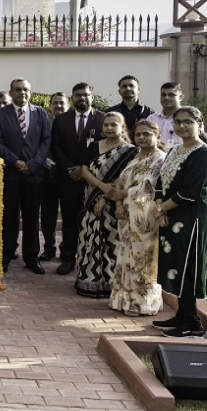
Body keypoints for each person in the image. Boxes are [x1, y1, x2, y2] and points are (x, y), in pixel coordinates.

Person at [152, 106, 207, 338]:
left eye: (188, 121)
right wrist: (160, 211)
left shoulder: (203, 153)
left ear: (200, 124)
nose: (181, 126)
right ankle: (182, 315)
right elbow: (160, 182)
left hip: (193, 215)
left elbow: (189, 192)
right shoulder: (174, 150)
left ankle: (193, 322)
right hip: (171, 214)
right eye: (177, 122)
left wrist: (160, 208)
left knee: (188, 265)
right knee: (175, 263)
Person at [0, 78, 52, 274]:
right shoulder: (1, 114)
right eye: (18, 90)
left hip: (33, 174)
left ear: (30, 92)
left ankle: (31, 257)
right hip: (11, 174)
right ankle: (6, 256)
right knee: (9, 217)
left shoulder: (40, 113)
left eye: (26, 90)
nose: (22, 93)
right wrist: (15, 162)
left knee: (32, 217)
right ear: (11, 92)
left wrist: (33, 164)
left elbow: (45, 141)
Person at [74, 112, 137, 297]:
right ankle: (88, 279)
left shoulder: (130, 151)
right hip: (90, 196)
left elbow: (124, 177)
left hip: (113, 201)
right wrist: (100, 187)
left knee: (111, 239)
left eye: (113, 125)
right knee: (88, 236)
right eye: (106, 125)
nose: (109, 128)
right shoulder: (94, 146)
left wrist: (104, 198)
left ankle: (110, 282)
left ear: (122, 127)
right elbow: (84, 169)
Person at [110, 120, 166, 316]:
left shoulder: (160, 159)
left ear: (157, 136)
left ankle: (143, 302)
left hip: (145, 218)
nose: (142, 138)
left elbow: (148, 188)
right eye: (138, 135)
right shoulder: (135, 158)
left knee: (144, 259)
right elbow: (120, 181)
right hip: (127, 217)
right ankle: (124, 299)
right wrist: (118, 203)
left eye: (147, 134)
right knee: (126, 255)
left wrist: (123, 195)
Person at [51, 82, 104, 276]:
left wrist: (85, 169)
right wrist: (69, 168)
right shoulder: (61, 120)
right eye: (78, 95)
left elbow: (105, 148)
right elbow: (55, 147)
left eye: (86, 95)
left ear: (92, 96)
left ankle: (89, 259)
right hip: (68, 178)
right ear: (72, 98)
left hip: (93, 181)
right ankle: (68, 258)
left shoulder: (102, 120)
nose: (82, 98)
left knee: (91, 221)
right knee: (69, 221)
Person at [40, 92, 69, 261]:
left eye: (62, 103)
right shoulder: (44, 123)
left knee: (69, 214)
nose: (58, 106)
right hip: (47, 175)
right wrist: (50, 164)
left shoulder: (73, 122)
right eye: (55, 103)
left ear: (67, 105)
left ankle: (67, 249)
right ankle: (49, 248)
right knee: (48, 215)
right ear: (50, 106)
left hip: (68, 176)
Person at [146, 82, 184, 151]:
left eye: (171, 95)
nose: (166, 98)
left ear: (180, 97)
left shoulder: (187, 118)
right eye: (163, 95)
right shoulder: (151, 119)